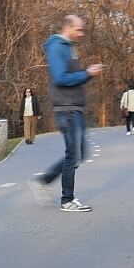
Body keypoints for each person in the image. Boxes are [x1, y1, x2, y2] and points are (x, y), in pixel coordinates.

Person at [32, 14, 103, 213]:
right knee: (73, 154)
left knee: (79, 153)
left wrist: (88, 74)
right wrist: (87, 73)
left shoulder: (70, 47)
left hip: (75, 107)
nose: (82, 34)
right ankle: (67, 200)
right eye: (79, 30)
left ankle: (44, 180)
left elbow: (73, 78)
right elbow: (61, 78)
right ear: (68, 28)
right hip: (66, 108)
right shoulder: (56, 47)